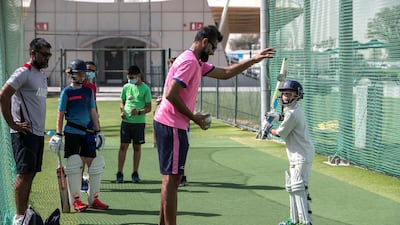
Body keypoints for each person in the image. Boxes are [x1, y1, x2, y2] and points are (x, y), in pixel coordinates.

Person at [153, 25, 276, 225]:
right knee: (172, 180)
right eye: (213, 47)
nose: (213, 52)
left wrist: (254, 59)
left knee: (170, 180)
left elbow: (226, 72)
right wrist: (194, 117)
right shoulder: (190, 62)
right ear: (204, 42)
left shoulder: (194, 61)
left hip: (168, 123)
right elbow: (171, 94)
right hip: (172, 125)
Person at [0, 38, 52, 225]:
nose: (47, 58)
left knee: (30, 173)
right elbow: (4, 94)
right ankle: (19, 218)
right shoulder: (24, 72)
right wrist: (12, 123)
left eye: (49, 55)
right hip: (24, 134)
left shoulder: (41, 74)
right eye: (44, 54)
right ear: (33, 53)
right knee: (24, 174)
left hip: (37, 134)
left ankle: (24, 215)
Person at [49, 59, 108, 212]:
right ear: (72, 75)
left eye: (83, 73)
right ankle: (76, 199)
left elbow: (93, 112)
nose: (82, 76)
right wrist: (58, 134)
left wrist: (98, 131)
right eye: (79, 73)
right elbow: (60, 114)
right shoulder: (66, 92)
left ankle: (93, 198)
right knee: (74, 164)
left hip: (88, 133)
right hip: (72, 133)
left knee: (95, 164)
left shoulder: (88, 91)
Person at [265, 80, 315, 225]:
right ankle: (295, 220)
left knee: (299, 188)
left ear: (297, 96)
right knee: (293, 188)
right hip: (297, 154)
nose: (285, 97)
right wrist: (275, 117)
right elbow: (285, 118)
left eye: (289, 94)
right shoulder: (291, 111)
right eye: (284, 94)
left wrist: (267, 128)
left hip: (302, 155)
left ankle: (306, 222)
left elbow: (280, 133)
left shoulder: (293, 113)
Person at [116, 65, 152, 183]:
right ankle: (120, 173)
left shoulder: (145, 89)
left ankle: (135, 173)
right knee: (123, 146)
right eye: (129, 77)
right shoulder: (126, 87)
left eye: (132, 77)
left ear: (138, 76)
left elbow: (149, 108)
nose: (130, 79)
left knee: (137, 147)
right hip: (126, 122)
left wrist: (139, 112)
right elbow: (122, 102)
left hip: (139, 123)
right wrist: (122, 112)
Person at [80, 61, 98, 192]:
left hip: (90, 125)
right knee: (80, 155)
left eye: (93, 71)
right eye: (88, 70)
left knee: (90, 154)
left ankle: (90, 182)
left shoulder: (92, 87)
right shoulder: (76, 86)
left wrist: (98, 127)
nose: (90, 73)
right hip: (78, 125)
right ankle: (79, 181)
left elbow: (94, 106)